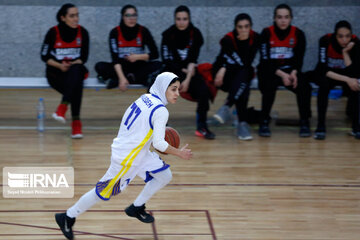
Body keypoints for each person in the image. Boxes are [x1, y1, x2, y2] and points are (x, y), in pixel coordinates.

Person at [55, 72, 193, 240]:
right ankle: (68, 216)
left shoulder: (145, 98)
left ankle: (136, 207)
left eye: (178, 89)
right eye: (173, 89)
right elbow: (159, 144)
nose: (177, 94)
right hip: (127, 158)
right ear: (163, 88)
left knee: (164, 175)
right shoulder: (161, 111)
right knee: (104, 191)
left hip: (137, 150)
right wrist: (179, 153)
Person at [257, 3, 312, 137]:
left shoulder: (298, 34)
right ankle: (264, 121)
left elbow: (299, 59)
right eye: (279, 17)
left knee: (304, 87)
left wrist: (293, 73)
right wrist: (282, 75)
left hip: (290, 71)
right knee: (269, 86)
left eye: (286, 17)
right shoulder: (266, 33)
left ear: (291, 18)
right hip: (270, 71)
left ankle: (305, 121)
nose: (283, 20)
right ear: (274, 18)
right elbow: (265, 61)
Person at [161, 5, 215, 139]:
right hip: (171, 71)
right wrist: (180, 74)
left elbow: (192, 60)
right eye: (178, 19)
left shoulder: (196, 34)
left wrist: (188, 78)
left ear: (189, 19)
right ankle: (159, 126)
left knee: (203, 91)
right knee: (154, 90)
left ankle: (201, 127)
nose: (181, 22)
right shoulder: (167, 34)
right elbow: (167, 60)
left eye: (184, 19)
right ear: (175, 19)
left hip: (188, 73)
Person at [40, 3, 89, 139]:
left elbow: (83, 58)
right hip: (55, 72)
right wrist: (60, 65)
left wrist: (71, 64)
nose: (76, 19)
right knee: (75, 85)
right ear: (63, 17)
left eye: (77, 15)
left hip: (73, 71)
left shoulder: (83, 32)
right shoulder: (53, 32)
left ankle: (62, 108)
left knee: (77, 71)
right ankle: (76, 122)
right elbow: (44, 57)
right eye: (72, 16)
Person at [212, 13, 260, 140]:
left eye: (246, 26)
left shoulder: (255, 38)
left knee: (244, 77)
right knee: (245, 74)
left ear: (251, 27)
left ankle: (227, 107)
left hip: (240, 76)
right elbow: (227, 61)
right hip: (223, 76)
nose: (244, 30)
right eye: (240, 27)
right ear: (235, 27)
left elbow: (246, 61)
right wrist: (222, 69)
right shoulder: (228, 39)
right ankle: (241, 124)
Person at [309, 21, 360, 140]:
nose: (344, 40)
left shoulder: (356, 42)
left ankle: (356, 127)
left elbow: (354, 72)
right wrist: (347, 79)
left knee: (356, 85)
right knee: (324, 85)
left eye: (347, 36)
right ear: (335, 35)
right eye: (341, 36)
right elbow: (322, 68)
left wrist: (345, 52)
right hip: (329, 74)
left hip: (347, 74)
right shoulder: (325, 40)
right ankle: (321, 126)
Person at [95, 4, 162, 90]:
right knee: (99, 66)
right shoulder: (115, 32)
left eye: (134, 15)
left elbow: (155, 54)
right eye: (128, 15)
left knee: (159, 65)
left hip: (139, 66)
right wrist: (122, 78)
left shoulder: (143, 31)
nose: (131, 18)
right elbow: (115, 59)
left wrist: (137, 57)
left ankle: (119, 79)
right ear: (123, 17)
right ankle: (135, 79)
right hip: (122, 67)